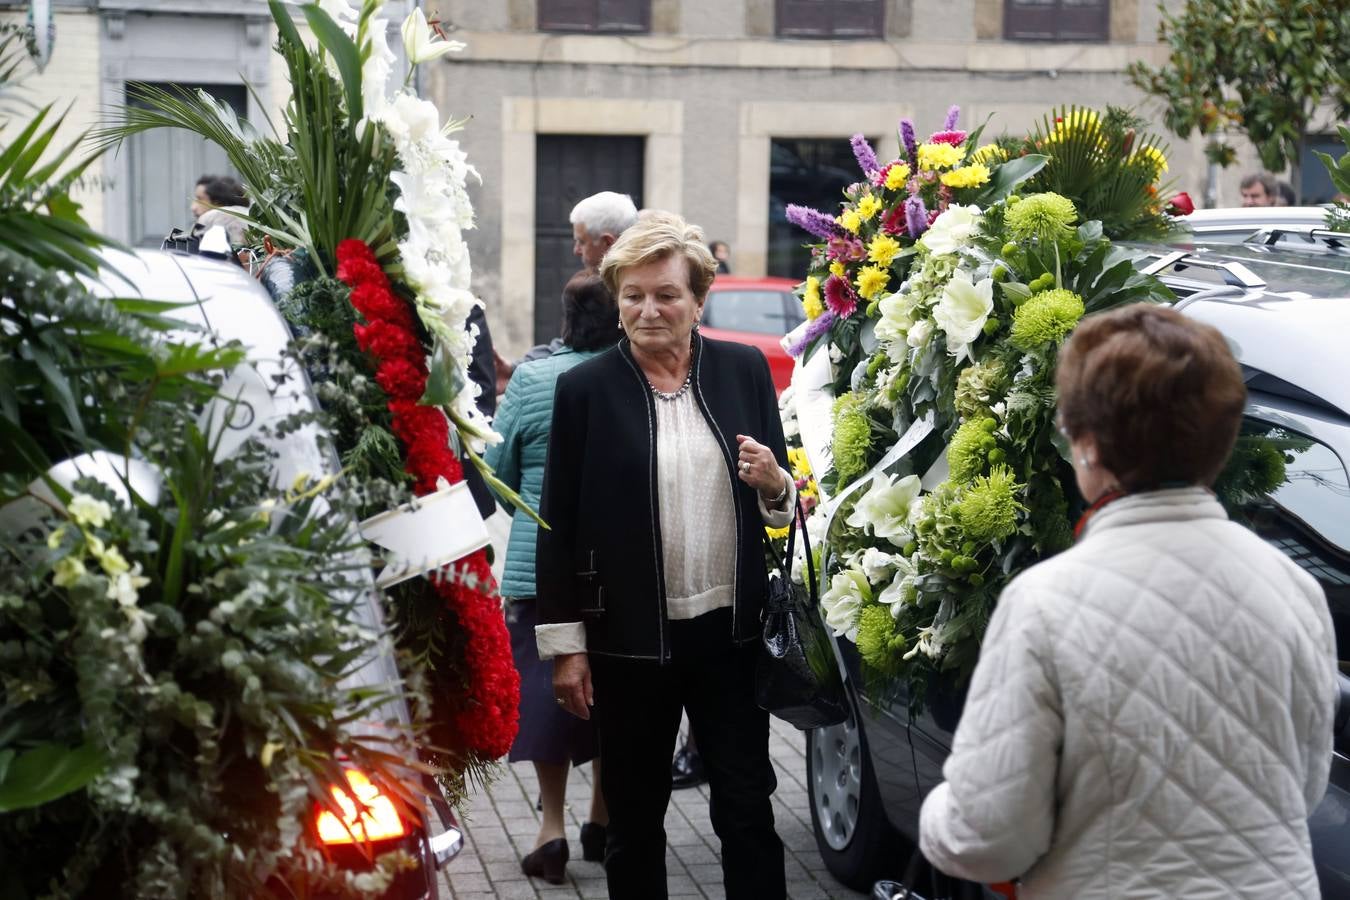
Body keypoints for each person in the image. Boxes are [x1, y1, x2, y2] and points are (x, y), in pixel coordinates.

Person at [918, 304, 1338, 898]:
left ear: (1088, 445)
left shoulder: (1044, 602)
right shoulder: (1294, 587)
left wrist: (938, 810)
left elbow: (989, 836)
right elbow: (1303, 785)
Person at [536, 212, 794, 900]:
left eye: (666, 295)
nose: (648, 310)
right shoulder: (584, 390)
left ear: (698, 300)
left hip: (729, 638)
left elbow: (782, 504)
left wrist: (777, 485)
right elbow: (555, 523)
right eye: (633, 295)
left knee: (746, 809)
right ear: (617, 299)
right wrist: (567, 646)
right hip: (627, 643)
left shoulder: (743, 371)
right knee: (635, 823)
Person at [485, 272, 619, 884]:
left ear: (564, 318)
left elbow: (498, 468)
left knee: (546, 691)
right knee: (617, 690)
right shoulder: (628, 376)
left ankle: (552, 829)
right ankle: (604, 819)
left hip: (540, 567)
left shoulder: (534, 378)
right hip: (620, 565)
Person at [493, 190, 640, 393]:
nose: (576, 250)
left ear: (607, 242)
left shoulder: (638, 287)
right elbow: (571, 345)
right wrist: (515, 368)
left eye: (582, 241)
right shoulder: (607, 282)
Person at [191, 174, 249, 245]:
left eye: (200, 199)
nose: (193, 207)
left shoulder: (219, 215)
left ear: (218, 202)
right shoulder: (247, 216)